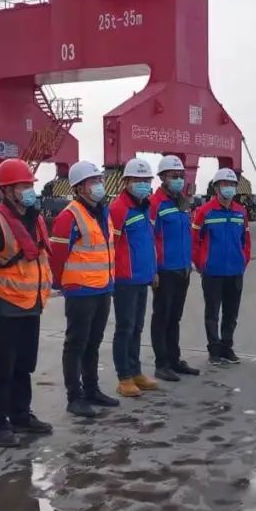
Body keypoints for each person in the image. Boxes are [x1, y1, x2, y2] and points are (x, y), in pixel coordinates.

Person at [0, 158, 54, 447]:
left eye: (29, 185)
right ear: (5, 190)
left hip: (31, 303)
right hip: (5, 305)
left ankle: (21, 416)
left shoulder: (35, 218)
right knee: (3, 368)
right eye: (21, 186)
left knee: (24, 365)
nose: (28, 190)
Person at [49, 160, 120, 418]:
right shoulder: (69, 216)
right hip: (80, 290)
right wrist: (62, 284)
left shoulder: (103, 212)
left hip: (102, 287)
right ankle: (74, 397)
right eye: (93, 181)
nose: (99, 185)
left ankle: (92, 389)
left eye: (100, 180)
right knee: (76, 344)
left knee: (94, 341)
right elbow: (57, 256)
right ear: (79, 188)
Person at [109, 158, 160, 398]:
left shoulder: (144, 207)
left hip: (142, 277)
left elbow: (148, 242)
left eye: (146, 180)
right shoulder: (119, 209)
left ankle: (136, 371)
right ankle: (124, 377)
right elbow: (111, 245)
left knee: (137, 327)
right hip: (125, 279)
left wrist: (153, 271)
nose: (143, 184)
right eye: (138, 180)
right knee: (125, 328)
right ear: (126, 181)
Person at [192, 168, 251, 366]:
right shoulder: (204, 212)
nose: (229, 188)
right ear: (216, 188)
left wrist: (243, 260)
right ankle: (214, 350)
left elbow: (246, 240)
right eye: (225, 184)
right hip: (212, 272)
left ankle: (227, 348)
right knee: (212, 313)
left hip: (235, 271)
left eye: (232, 185)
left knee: (231, 313)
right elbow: (195, 240)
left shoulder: (241, 212)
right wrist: (201, 263)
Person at [149, 155, 200, 381]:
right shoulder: (155, 204)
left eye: (181, 175)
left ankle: (174, 360)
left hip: (183, 269)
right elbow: (150, 239)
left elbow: (187, 234)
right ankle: (161, 364)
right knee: (162, 317)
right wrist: (153, 270)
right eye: (174, 176)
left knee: (175, 318)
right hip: (164, 270)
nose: (179, 179)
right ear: (162, 178)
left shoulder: (182, 203)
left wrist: (189, 263)